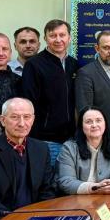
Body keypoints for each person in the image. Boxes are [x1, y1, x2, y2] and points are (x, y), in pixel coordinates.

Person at [0, 97, 57, 220]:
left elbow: (48, 190)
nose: (22, 123)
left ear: (33, 119)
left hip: (37, 219)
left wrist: (41, 216)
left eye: (27, 117)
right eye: (14, 117)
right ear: (2, 120)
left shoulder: (41, 149)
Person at [21, 19, 79, 165]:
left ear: (69, 37)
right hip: (46, 140)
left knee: (68, 178)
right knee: (49, 178)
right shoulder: (34, 64)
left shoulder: (74, 64)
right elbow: (29, 102)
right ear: (45, 38)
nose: (58, 40)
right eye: (53, 36)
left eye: (62, 35)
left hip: (72, 140)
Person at [56, 107, 110, 195]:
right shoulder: (69, 148)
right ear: (81, 126)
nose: (94, 125)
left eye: (98, 120)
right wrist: (96, 187)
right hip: (77, 199)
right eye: (89, 122)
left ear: (105, 123)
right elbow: (66, 182)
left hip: (106, 197)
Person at [75, 30, 110, 139]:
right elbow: (85, 112)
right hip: (101, 140)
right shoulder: (86, 73)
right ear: (97, 48)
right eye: (106, 48)